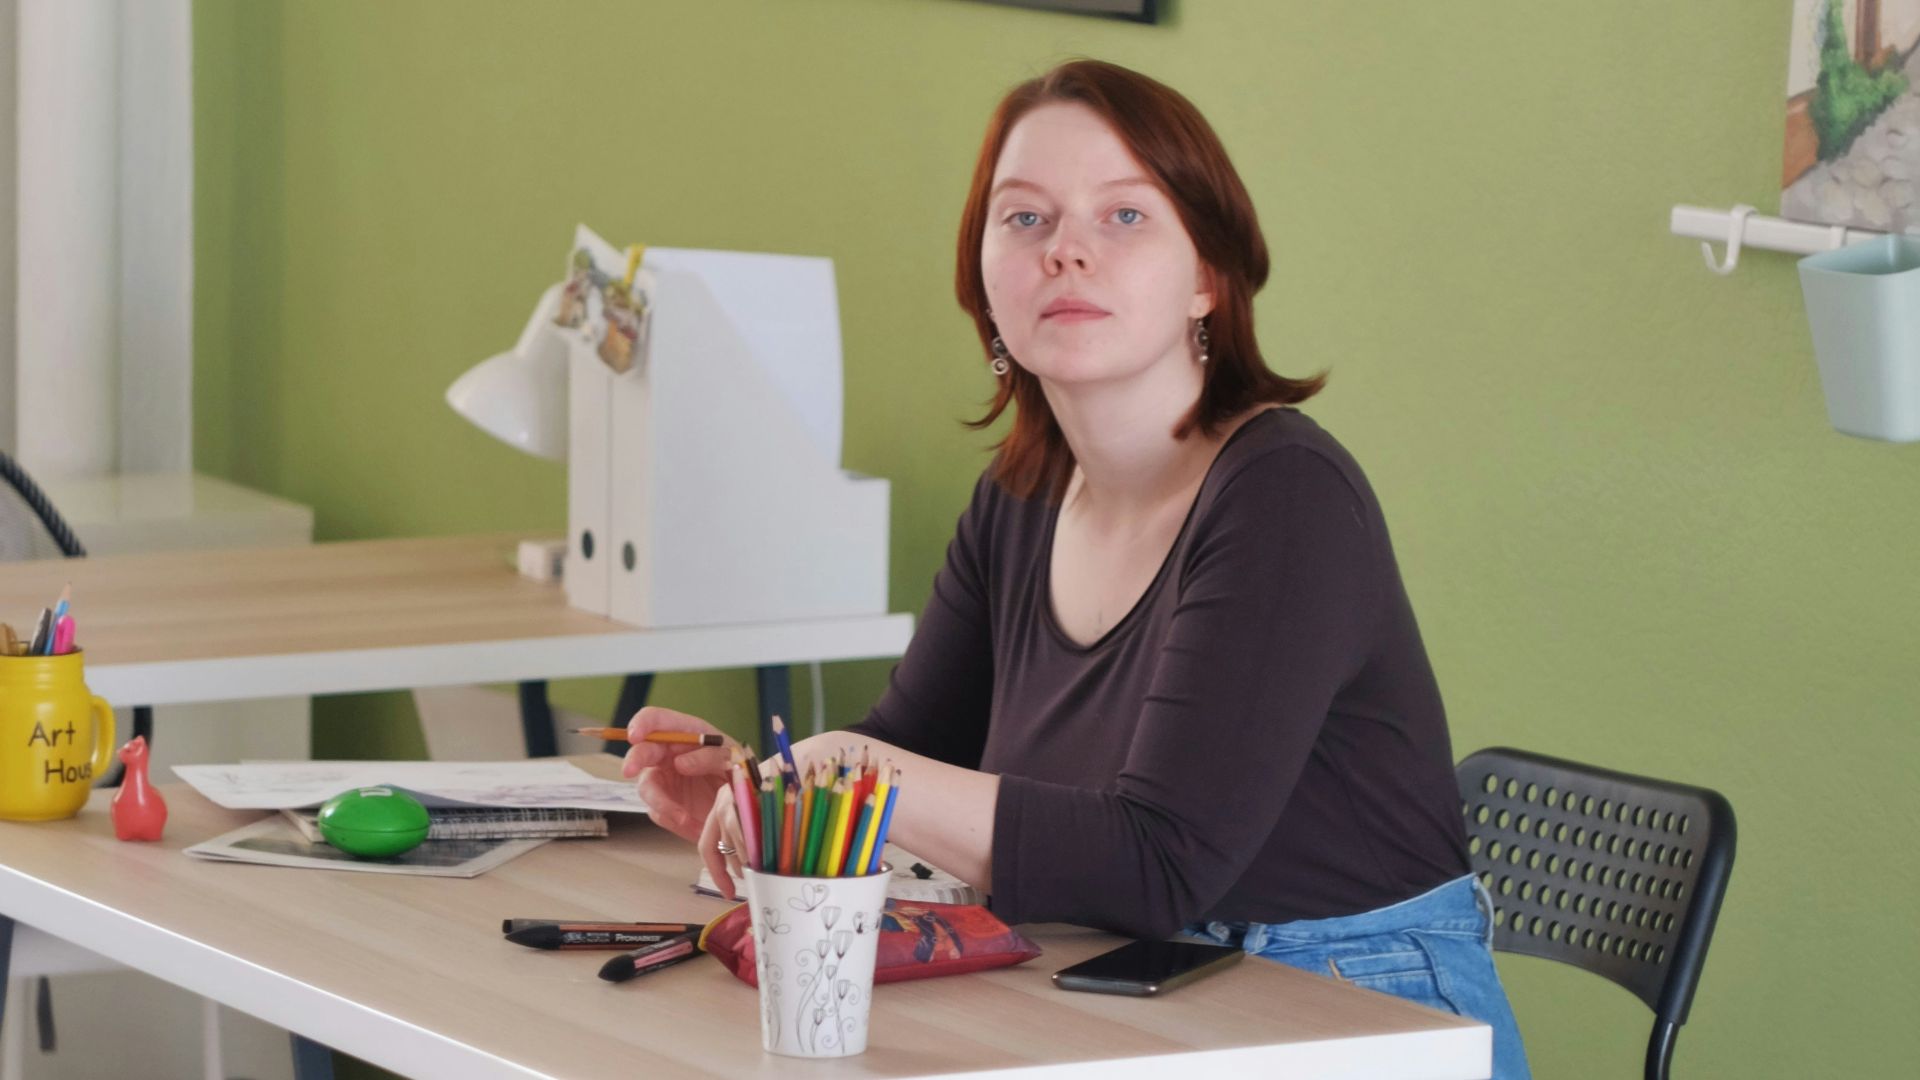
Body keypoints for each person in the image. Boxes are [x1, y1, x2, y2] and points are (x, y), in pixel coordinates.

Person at [625, 59, 1529, 1078]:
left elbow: (1159, 862)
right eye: (1024, 220)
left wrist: (849, 769)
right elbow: (905, 752)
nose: (1067, 253)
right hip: (1121, 992)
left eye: (1126, 217)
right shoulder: (1019, 502)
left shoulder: (1286, 496)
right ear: (982, 282)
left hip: (1356, 1010)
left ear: (1208, 278)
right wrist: (770, 791)